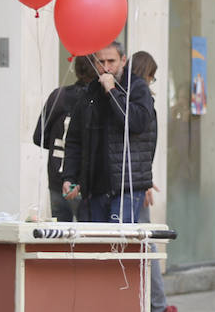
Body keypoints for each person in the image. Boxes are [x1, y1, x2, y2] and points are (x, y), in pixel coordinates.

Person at [61, 43, 157, 224]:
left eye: (111, 61)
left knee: (118, 246)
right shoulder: (90, 92)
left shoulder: (137, 88)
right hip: (95, 187)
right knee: (95, 246)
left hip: (126, 187)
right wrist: (70, 177)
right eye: (101, 62)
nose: (106, 68)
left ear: (123, 60)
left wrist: (112, 91)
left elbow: (136, 123)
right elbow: (75, 139)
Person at [130, 51, 175, 312]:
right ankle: (157, 304)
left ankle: (156, 303)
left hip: (135, 180)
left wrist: (144, 179)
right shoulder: (142, 102)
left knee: (145, 242)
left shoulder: (135, 101)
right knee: (146, 243)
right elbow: (145, 146)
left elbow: (142, 146)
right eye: (152, 76)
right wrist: (144, 179)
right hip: (136, 181)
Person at [32, 55, 95, 222]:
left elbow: (39, 136)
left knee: (58, 237)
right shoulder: (96, 99)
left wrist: (56, 145)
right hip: (85, 179)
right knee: (88, 236)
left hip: (56, 175)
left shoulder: (58, 96)